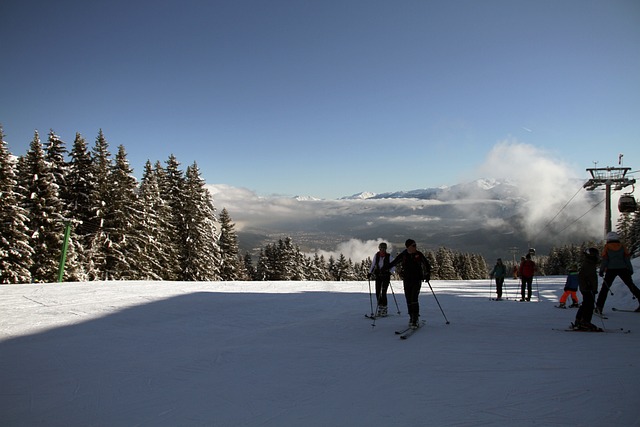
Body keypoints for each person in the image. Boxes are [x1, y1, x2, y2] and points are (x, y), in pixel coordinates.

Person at [385, 239, 431, 329]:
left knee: (414, 298)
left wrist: (427, 274)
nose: (415, 247)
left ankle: (415, 318)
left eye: (415, 245)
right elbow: (394, 263)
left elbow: (426, 264)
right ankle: (411, 317)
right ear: (408, 247)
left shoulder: (418, 254)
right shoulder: (404, 255)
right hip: (407, 280)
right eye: (413, 245)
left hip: (416, 279)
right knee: (408, 299)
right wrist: (385, 269)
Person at [595, 232, 640, 314]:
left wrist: (601, 270)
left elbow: (605, 260)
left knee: (604, 289)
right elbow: (627, 259)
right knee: (631, 286)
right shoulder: (622, 247)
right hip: (623, 269)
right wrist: (630, 269)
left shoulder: (607, 247)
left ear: (608, 239)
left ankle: (599, 307)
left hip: (611, 270)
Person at [574, 248, 601, 330]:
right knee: (589, 305)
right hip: (587, 288)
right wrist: (587, 285)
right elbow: (582, 276)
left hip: (588, 288)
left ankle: (579, 320)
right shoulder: (588, 264)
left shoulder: (590, 263)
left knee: (586, 303)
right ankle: (585, 321)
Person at [367, 242, 394, 317]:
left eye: (383, 248)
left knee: (384, 292)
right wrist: (370, 273)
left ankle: (384, 308)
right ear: (379, 248)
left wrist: (390, 272)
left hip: (386, 276)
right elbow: (373, 264)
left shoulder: (389, 256)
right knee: (378, 292)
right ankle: (380, 307)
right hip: (378, 276)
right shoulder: (377, 255)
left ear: (385, 249)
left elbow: (393, 266)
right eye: (381, 248)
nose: (382, 250)